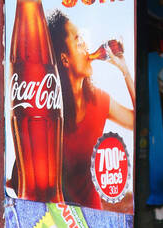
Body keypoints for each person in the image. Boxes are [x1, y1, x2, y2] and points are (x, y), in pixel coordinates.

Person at [47, 11, 134, 209]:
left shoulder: (97, 100)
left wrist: (125, 71)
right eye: (78, 42)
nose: (86, 46)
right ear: (65, 59)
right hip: (58, 224)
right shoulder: (49, 113)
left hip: (96, 225)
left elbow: (136, 122)